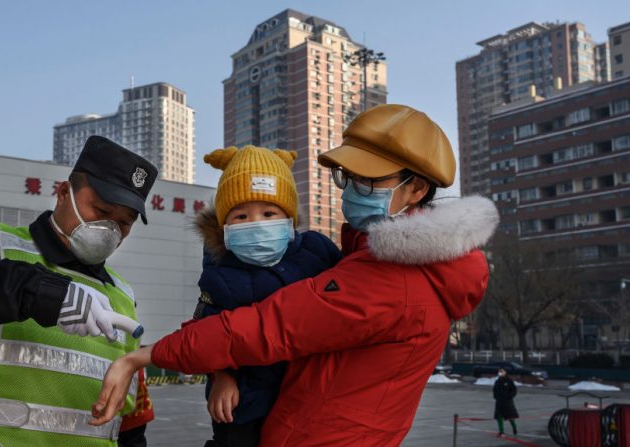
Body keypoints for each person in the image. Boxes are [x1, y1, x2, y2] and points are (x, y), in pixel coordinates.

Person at [91, 104, 499, 446]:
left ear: (416, 189)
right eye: (348, 176)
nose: (351, 189)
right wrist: (221, 372)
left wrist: (148, 355)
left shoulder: (395, 279)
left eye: (368, 179)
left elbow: (269, 326)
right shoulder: (382, 262)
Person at [0, 136, 157, 447]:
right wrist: (36, 291)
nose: (110, 230)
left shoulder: (123, 295)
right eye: (101, 210)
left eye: (124, 223)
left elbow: (129, 421)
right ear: (64, 193)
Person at [193, 146, 342, 446]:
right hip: (247, 400)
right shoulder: (219, 270)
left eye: (269, 213)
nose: (257, 223)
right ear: (224, 226)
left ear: (288, 217)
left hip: (309, 394)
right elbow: (206, 331)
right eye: (241, 215)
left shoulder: (316, 251)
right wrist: (221, 377)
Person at [493, 368, 519, 437]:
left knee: (510, 418)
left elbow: (514, 390)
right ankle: (501, 432)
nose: (500, 373)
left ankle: (514, 428)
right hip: (499, 402)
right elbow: (494, 390)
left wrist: (509, 396)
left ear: (505, 373)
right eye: (499, 372)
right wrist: (495, 396)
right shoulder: (497, 381)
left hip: (507, 402)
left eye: (502, 372)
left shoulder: (509, 381)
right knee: (499, 418)